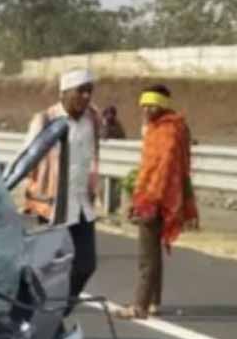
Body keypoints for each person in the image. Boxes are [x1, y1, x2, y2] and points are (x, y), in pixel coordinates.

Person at [116, 85, 199, 320]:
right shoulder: (175, 127)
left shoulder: (165, 132)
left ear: (163, 105)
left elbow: (160, 170)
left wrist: (147, 198)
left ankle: (139, 306)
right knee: (153, 253)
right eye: (143, 105)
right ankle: (154, 301)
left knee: (147, 257)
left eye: (151, 105)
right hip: (168, 197)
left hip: (155, 197)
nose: (146, 109)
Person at [23, 68, 101, 303]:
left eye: (89, 91)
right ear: (64, 93)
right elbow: (26, 157)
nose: (86, 97)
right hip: (53, 207)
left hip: (82, 204)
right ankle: (33, 312)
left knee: (85, 265)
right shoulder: (45, 120)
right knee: (48, 269)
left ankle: (59, 310)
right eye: (81, 91)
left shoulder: (92, 118)